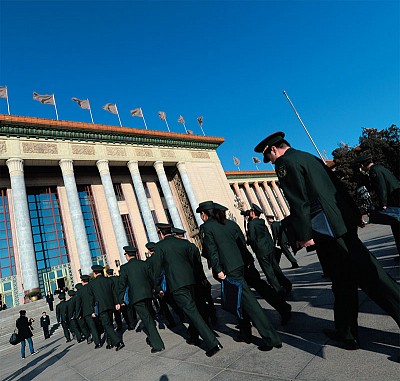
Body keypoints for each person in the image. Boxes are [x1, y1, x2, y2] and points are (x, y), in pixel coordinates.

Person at [254, 131, 400, 350]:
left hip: (328, 231)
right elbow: (337, 187)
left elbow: (299, 202)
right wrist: (353, 215)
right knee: (342, 282)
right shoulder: (307, 157)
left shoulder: (285, 163)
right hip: (339, 224)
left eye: (269, 157)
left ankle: (349, 332)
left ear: (273, 150)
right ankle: (347, 333)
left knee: (374, 279)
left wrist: (304, 236)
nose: (271, 162)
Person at [197, 201, 282, 352]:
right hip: (239, 264)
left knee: (250, 303)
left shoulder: (206, 227)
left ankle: (271, 338)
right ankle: (245, 333)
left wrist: (217, 269)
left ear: (204, 214)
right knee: (239, 301)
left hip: (228, 269)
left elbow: (211, 250)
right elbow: (241, 242)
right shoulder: (229, 224)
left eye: (201, 214)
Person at [213, 203, 292, 326]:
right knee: (260, 285)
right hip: (245, 261)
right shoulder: (232, 224)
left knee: (242, 293)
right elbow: (242, 242)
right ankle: (282, 306)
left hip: (231, 266)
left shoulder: (211, 229)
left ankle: (247, 320)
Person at [151, 222, 222, 357]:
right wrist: (201, 279)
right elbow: (196, 263)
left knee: (192, 312)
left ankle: (213, 343)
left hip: (177, 285)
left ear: (160, 233)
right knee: (192, 310)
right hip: (192, 282)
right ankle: (193, 336)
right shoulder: (184, 244)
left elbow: (156, 269)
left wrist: (157, 286)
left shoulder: (159, 247)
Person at [118, 246, 165, 353]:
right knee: (149, 317)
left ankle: (158, 344)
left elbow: (122, 284)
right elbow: (152, 278)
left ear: (127, 255)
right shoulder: (144, 264)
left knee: (147, 319)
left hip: (136, 298)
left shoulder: (125, 268)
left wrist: (120, 300)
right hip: (148, 295)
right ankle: (151, 337)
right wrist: (159, 290)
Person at [356, 154, 400, 255]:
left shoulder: (373, 171)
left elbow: (381, 188)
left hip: (394, 200)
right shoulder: (379, 167)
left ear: (362, 165)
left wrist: (383, 204)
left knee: (396, 227)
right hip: (396, 197)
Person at [247, 203, 292, 296]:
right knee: (275, 268)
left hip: (261, 251)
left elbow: (251, 238)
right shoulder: (261, 222)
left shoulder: (251, 224)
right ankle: (287, 284)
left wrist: (248, 240)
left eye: (251, 211)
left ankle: (278, 290)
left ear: (253, 213)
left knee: (268, 271)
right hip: (269, 248)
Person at [88, 264, 125, 351]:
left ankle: (118, 342)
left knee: (107, 325)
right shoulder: (108, 280)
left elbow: (91, 299)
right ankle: (109, 342)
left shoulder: (92, 284)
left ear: (95, 273)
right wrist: (117, 303)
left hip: (101, 307)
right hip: (110, 305)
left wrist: (92, 310)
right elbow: (114, 293)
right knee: (109, 324)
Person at [76, 275, 102, 348]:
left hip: (87, 312)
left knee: (92, 327)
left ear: (82, 281)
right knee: (98, 324)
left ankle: (98, 343)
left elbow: (79, 304)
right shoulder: (92, 286)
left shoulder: (80, 291)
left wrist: (78, 314)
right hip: (96, 308)